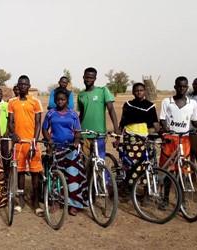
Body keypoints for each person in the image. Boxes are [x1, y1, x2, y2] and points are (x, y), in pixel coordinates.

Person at [42, 88, 87, 216]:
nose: (60, 101)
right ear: (55, 101)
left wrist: (77, 140)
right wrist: (49, 139)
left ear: (67, 100)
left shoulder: (73, 114)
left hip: (70, 149)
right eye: (58, 100)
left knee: (73, 176)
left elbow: (77, 130)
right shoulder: (51, 113)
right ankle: (55, 202)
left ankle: (73, 204)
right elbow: (45, 129)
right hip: (55, 148)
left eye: (63, 99)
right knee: (55, 176)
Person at [8, 75, 43, 216]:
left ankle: (36, 203)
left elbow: (38, 122)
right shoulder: (12, 102)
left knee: (35, 173)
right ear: (18, 86)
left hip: (31, 143)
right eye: (20, 84)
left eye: (25, 84)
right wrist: (13, 133)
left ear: (29, 86)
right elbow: (10, 121)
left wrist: (35, 140)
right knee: (20, 172)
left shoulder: (35, 102)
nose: (22, 86)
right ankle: (21, 201)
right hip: (19, 144)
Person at [118, 83, 159, 188]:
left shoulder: (150, 106)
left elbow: (154, 122)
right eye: (136, 90)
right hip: (130, 138)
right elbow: (122, 122)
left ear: (144, 91)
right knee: (130, 164)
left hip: (144, 139)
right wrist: (118, 137)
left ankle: (144, 188)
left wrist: (160, 133)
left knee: (145, 163)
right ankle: (128, 187)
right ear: (133, 92)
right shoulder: (128, 104)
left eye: (141, 90)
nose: (139, 92)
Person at [159, 76, 197, 171]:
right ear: (175, 87)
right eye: (179, 86)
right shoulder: (167, 102)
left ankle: (182, 185)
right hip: (170, 138)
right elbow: (162, 119)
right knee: (168, 166)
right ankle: (166, 184)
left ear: (187, 87)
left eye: (184, 86)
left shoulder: (192, 103)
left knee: (183, 165)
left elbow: (194, 120)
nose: (182, 88)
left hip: (184, 139)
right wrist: (165, 127)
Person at [77, 67, 120, 159]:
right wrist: (77, 130)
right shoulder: (81, 95)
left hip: (99, 133)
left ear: (95, 79)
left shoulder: (103, 91)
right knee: (86, 163)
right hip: (85, 134)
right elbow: (81, 115)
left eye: (91, 78)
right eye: (87, 77)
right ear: (83, 77)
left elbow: (111, 110)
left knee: (100, 162)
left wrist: (116, 129)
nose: (88, 79)